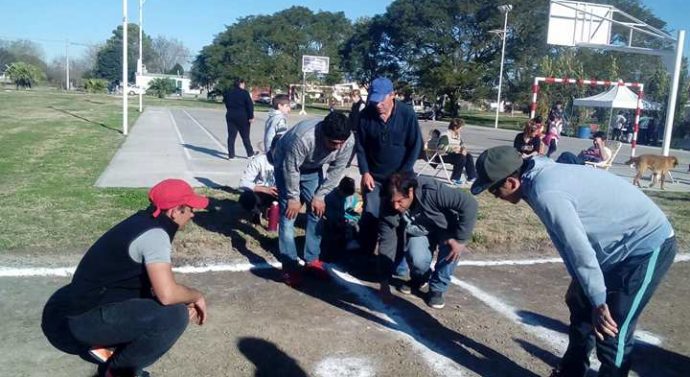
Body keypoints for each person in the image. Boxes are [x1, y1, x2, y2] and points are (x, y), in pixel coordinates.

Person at [471, 146, 677, 377]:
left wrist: (599, 302)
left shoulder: (545, 191)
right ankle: (571, 372)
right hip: (614, 248)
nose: (495, 196)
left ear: (511, 182)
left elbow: (578, 249)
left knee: (612, 327)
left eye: (493, 190)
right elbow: (567, 243)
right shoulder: (535, 176)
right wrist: (587, 290)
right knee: (579, 302)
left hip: (646, 245)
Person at [41, 179, 209, 377]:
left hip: (84, 306)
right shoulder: (155, 235)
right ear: (174, 211)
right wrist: (196, 296)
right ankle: (118, 371)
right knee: (174, 315)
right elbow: (168, 295)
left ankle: (108, 347)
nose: (193, 214)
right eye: (189, 209)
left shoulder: (143, 220)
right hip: (83, 321)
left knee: (163, 302)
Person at [272, 111, 355, 286]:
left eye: (341, 143)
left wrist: (320, 195)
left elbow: (336, 170)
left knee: (317, 210)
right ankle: (289, 265)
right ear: (323, 134)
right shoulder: (303, 138)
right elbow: (291, 169)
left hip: (312, 167)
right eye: (333, 143)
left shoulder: (347, 142)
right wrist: (293, 198)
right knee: (289, 215)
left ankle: (312, 259)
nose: (338, 147)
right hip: (285, 163)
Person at [378, 173, 477, 309]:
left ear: (410, 192)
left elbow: (469, 204)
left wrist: (461, 239)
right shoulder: (387, 207)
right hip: (419, 230)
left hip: (446, 228)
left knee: (451, 251)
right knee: (416, 258)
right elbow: (387, 243)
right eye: (392, 202)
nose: (395, 206)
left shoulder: (432, 192)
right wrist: (384, 282)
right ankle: (420, 278)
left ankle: (437, 288)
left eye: (400, 201)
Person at [355, 77, 423, 258]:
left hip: (400, 177)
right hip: (374, 177)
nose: (377, 105)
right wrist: (365, 172)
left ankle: (398, 259)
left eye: (381, 100)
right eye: (374, 100)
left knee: (398, 217)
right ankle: (365, 257)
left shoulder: (407, 114)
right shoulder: (365, 116)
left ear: (392, 95)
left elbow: (416, 145)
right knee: (370, 214)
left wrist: (403, 174)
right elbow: (360, 146)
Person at [239, 136, 280, 223]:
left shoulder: (288, 161)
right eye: (277, 152)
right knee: (246, 197)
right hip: (261, 192)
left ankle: (271, 212)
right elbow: (243, 183)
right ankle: (256, 212)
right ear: (271, 148)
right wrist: (265, 189)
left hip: (278, 193)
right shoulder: (259, 160)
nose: (280, 155)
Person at [321, 176, 362, 261]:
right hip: (335, 219)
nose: (346, 196)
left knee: (355, 227)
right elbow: (328, 211)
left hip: (348, 218)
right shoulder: (331, 197)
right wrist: (338, 219)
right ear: (340, 189)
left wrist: (357, 209)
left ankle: (351, 244)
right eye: (345, 194)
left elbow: (353, 209)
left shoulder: (351, 197)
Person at [223, 78, 254, 159]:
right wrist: (251, 116)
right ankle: (250, 154)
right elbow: (250, 105)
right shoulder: (244, 93)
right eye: (243, 84)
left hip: (230, 115)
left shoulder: (228, 93)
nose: (244, 85)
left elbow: (226, 102)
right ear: (240, 84)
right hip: (243, 116)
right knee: (245, 136)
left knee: (231, 136)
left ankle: (231, 155)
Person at [440, 118, 477, 185]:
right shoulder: (445, 135)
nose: (461, 130)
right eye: (460, 128)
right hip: (442, 156)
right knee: (461, 157)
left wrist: (463, 150)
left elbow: (462, 145)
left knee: (468, 156)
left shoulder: (457, 136)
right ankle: (455, 178)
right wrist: (453, 150)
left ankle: (472, 177)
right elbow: (441, 147)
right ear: (455, 127)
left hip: (454, 156)